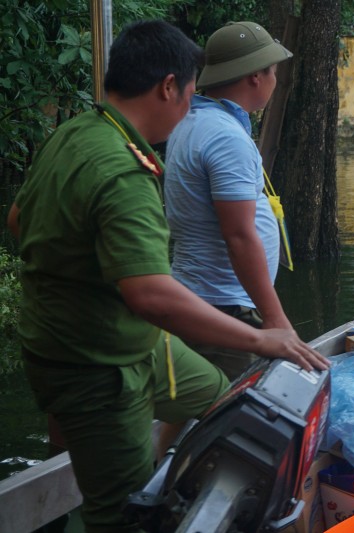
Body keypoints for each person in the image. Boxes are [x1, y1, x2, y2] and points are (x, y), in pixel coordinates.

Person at [7, 20, 328, 533]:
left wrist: (80, 273)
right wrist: (264, 337)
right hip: (98, 362)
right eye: (191, 92)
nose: (190, 107)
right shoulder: (122, 171)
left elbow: (18, 221)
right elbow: (152, 296)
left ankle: (179, 490)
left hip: (136, 342)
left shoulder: (77, 131)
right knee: (120, 513)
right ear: (168, 87)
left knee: (221, 395)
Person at [165, 21, 295, 380]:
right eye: (272, 72)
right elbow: (238, 236)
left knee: (195, 410)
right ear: (255, 76)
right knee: (229, 417)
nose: (275, 80)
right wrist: (275, 320)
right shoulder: (225, 137)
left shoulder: (193, 120)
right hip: (227, 306)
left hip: (202, 296)